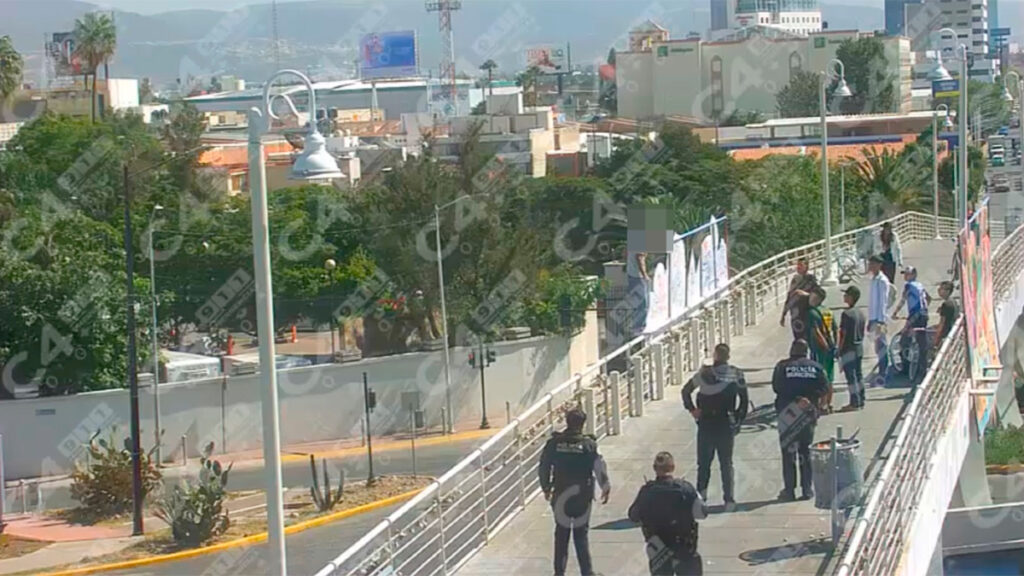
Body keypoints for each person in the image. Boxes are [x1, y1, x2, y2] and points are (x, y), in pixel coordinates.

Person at [538, 408, 611, 576]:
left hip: (560, 494)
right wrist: (605, 486)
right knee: (581, 535)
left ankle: (559, 572)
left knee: (561, 535)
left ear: (567, 421)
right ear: (582, 424)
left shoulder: (554, 443)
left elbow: (544, 467)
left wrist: (546, 487)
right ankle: (587, 572)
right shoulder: (588, 445)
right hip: (582, 496)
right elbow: (599, 466)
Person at [681, 343, 748, 510]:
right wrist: (738, 420)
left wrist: (692, 410)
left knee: (704, 464)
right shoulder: (736, 373)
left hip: (706, 422)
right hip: (726, 422)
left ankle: (701, 498)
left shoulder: (705, 373)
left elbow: (686, 391)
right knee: (726, 463)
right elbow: (744, 400)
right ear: (728, 356)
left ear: (715, 355)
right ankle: (729, 499)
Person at [628, 452, 707, 575]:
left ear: (654, 468)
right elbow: (702, 513)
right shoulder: (685, 488)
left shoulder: (646, 492)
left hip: (658, 548)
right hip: (684, 547)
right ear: (673, 467)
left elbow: (633, 516)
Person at [771, 339, 829, 501]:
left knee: (788, 454)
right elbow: (825, 387)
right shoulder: (816, 367)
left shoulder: (782, 367)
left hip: (788, 415)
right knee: (806, 452)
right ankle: (807, 490)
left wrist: (795, 398)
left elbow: (777, 387)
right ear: (806, 351)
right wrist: (810, 399)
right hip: (807, 414)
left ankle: (789, 490)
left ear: (792, 350)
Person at [892, 266, 930, 382]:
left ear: (913, 275)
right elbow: (928, 298)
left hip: (914, 315)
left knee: (904, 340)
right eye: (905, 274)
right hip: (924, 314)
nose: (905, 276)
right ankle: (923, 369)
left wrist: (895, 313)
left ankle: (905, 368)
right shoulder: (920, 285)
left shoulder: (908, 286)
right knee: (921, 342)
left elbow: (903, 301)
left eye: (907, 274)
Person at [867, 255, 896, 386]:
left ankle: (884, 373)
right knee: (877, 347)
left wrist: (880, 321)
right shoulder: (873, 280)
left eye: (873, 264)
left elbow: (882, 302)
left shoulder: (882, 281)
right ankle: (881, 370)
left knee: (882, 345)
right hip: (873, 317)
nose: (870, 267)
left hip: (879, 319)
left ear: (879, 265)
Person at [806, 287, 836, 411]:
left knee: (819, 377)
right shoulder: (828, 311)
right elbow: (835, 329)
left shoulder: (812, 313)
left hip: (819, 349)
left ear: (817, 298)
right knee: (829, 376)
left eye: (812, 296)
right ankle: (829, 403)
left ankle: (821, 404)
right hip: (831, 349)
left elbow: (816, 332)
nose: (809, 298)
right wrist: (833, 346)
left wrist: (824, 345)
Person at [837, 286, 867, 411]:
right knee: (859, 374)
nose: (844, 296)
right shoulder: (861, 313)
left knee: (851, 376)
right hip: (859, 346)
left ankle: (854, 402)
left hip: (848, 348)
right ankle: (861, 399)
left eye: (846, 295)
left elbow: (843, 334)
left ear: (851, 297)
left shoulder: (846, 314)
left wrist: (839, 349)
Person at [780, 258, 818, 340]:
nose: (798, 267)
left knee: (808, 337)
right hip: (795, 314)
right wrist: (783, 314)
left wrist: (806, 294)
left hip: (806, 312)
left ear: (806, 266)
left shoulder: (811, 278)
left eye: (801, 265)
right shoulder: (795, 279)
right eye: (797, 265)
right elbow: (789, 296)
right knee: (798, 338)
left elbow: (818, 294)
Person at [627, 249, 651, 337]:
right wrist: (645, 275)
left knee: (637, 302)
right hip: (638, 276)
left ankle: (636, 325)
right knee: (643, 303)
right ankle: (639, 326)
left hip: (631, 274)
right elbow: (640, 259)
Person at [934, 281, 959, 347]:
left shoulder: (946, 304)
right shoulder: (953, 301)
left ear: (948, 291)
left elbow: (942, 323)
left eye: (941, 289)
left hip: (947, 334)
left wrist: (937, 338)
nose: (939, 291)